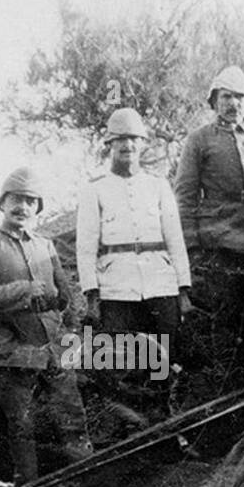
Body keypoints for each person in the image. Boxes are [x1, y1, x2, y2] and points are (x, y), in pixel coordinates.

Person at [0, 166, 93, 486]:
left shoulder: (45, 246)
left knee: (72, 417)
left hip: (52, 345)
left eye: (30, 201)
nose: (23, 207)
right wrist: (23, 290)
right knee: (21, 425)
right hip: (12, 349)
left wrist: (70, 328)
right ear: (3, 204)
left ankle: (88, 481)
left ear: (37, 207)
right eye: (16, 200)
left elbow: (65, 296)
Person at [76, 108, 192, 414]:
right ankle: (130, 425)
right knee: (123, 362)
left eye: (133, 139)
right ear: (109, 145)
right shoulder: (95, 189)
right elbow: (86, 248)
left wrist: (182, 289)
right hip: (117, 289)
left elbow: (175, 240)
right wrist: (92, 295)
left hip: (160, 285)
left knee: (165, 357)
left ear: (142, 144)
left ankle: (166, 421)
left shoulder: (158, 186)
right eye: (120, 140)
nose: (127, 146)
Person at [173, 65, 244, 368]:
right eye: (226, 97)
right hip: (221, 237)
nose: (233, 103)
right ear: (214, 101)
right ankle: (230, 378)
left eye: (239, 97)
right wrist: (193, 248)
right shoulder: (199, 140)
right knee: (228, 313)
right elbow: (184, 197)